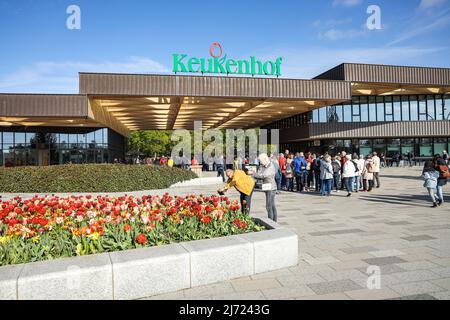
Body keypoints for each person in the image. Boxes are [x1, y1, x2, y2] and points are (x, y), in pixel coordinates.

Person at [252, 154, 278, 222]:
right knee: (271, 205)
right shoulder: (263, 165)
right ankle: (274, 221)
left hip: (271, 188)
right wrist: (257, 172)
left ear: (265, 159)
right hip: (267, 187)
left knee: (269, 206)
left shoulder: (271, 166)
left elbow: (263, 175)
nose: (260, 163)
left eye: (261, 161)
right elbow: (259, 173)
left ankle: (271, 222)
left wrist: (253, 173)